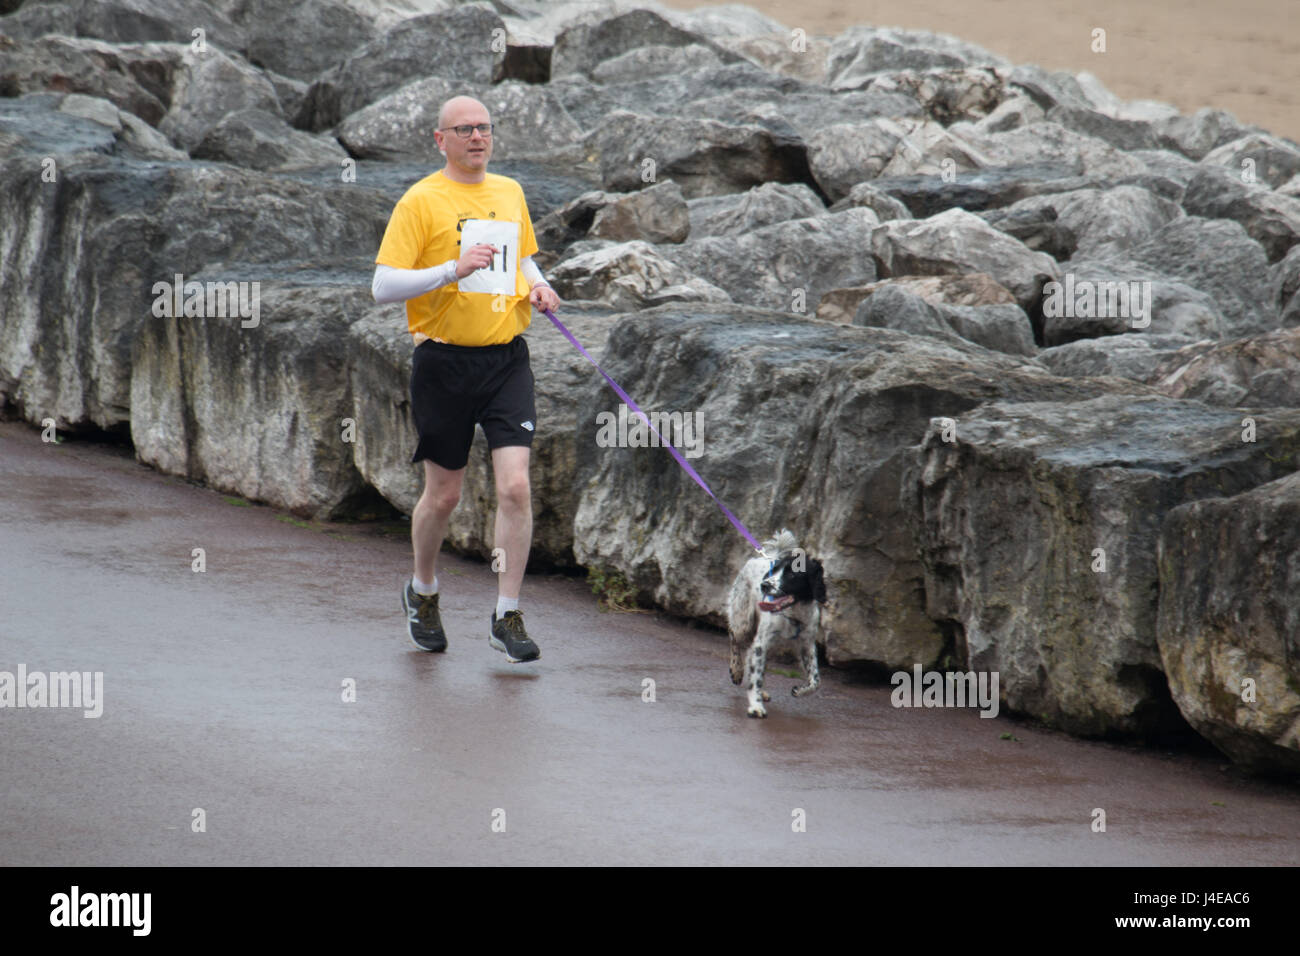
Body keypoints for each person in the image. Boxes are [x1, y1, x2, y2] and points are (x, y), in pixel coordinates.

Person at [371, 95, 560, 662]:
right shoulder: (420, 200)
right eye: (465, 129)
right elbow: (383, 286)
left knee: (515, 487)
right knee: (444, 495)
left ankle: (507, 613)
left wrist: (539, 284)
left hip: (506, 360)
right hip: (443, 362)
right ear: (441, 139)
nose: (478, 137)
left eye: (485, 128)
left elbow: (521, 259)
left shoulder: (509, 192)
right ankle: (423, 590)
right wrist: (452, 269)